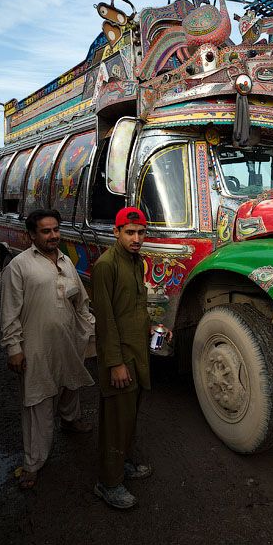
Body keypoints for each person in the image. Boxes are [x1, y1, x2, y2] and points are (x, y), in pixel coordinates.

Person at [0, 209, 95, 490]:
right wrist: (14, 348)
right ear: (32, 235)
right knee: (37, 401)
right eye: (46, 231)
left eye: (55, 230)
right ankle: (32, 464)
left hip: (68, 340)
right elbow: (9, 313)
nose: (53, 235)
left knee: (71, 382)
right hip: (36, 345)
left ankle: (70, 420)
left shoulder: (66, 262)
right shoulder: (19, 266)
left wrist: (92, 331)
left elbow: (81, 303)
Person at [91, 207, 154, 510]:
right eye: (130, 232)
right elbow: (105, 320)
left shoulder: (135, 261)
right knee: (116, 420)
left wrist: (154, 326)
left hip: (136, 350)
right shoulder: (106, 266)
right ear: (116, 233)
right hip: (120, 356)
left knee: (129, 415)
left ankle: (124, 463)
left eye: (141, 232)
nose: (137, 238)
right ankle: (109, 483)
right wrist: (115, 363)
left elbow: (135, 304)